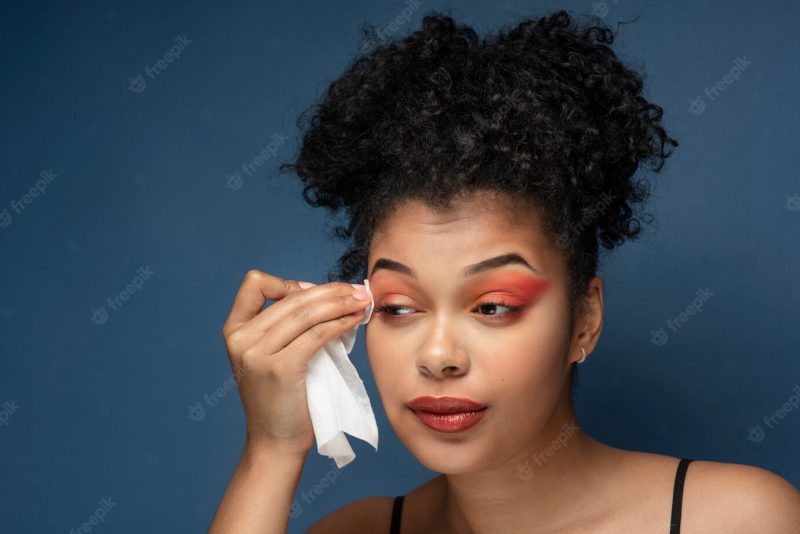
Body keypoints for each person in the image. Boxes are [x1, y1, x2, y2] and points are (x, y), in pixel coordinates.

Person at [209, 9, 800, 533]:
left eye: (492, 305)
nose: (439, 356)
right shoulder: (354, 531)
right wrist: (273, 450)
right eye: (398, 308)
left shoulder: (736, 519)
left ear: (584, 320)